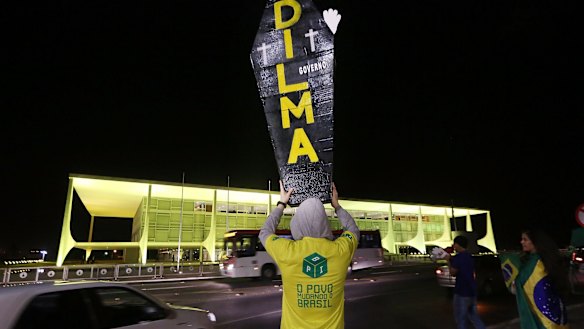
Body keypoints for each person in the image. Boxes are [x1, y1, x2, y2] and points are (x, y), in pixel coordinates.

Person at [259, 181, 359, 329]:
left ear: (297, 223)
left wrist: (282, 204)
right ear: (325, 223)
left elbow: (265, 233)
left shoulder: (287, 251)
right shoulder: (340, 251)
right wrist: (336, 206)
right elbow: (353, 230)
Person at [511, 229, 570, 329]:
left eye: (525, 239)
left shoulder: (534, 264)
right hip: (554, 311)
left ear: (534, 242)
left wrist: (513, 283)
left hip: (542, 317)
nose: (522, 242)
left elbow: (520, 284)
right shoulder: (546, 259)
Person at [444, 235, 486, 329]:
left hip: (461, 292)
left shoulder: (458, 258)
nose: (453, 246)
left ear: (458, 245)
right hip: (472, 291)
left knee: (461, 319)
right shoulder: (469, 256)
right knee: (474, 317)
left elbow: (453, 273)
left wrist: (448, 261)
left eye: (454, 244)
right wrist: (451, 259)